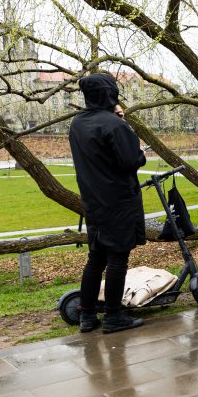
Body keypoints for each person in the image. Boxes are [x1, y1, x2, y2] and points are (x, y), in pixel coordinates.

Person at [68, 72, 146, 334]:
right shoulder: (114, 125)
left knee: (96, 258)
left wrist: (117, 120)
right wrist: (128, 131)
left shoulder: (78, 124)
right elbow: (131, 160)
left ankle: (87, 316)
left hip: (94, 202)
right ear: (110, 94)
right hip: (118, 201)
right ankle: (113, 316)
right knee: (117, 259)